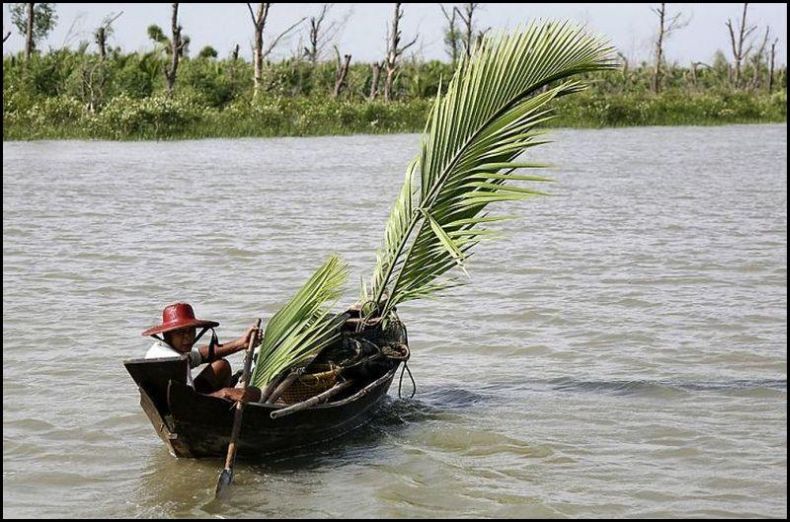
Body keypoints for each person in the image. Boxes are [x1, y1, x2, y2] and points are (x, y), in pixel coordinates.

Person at [142, 302, 261, 402]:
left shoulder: (167, 347)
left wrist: (241, 343)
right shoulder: (171, 359)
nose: (188, 338)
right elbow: (186, 403)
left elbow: (201, 354)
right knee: (255, 393)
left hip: (179, 398)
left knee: (221, 365)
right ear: (167, 335)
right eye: (180, 332)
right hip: (180, 405)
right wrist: (224, 393)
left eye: (190, 331)